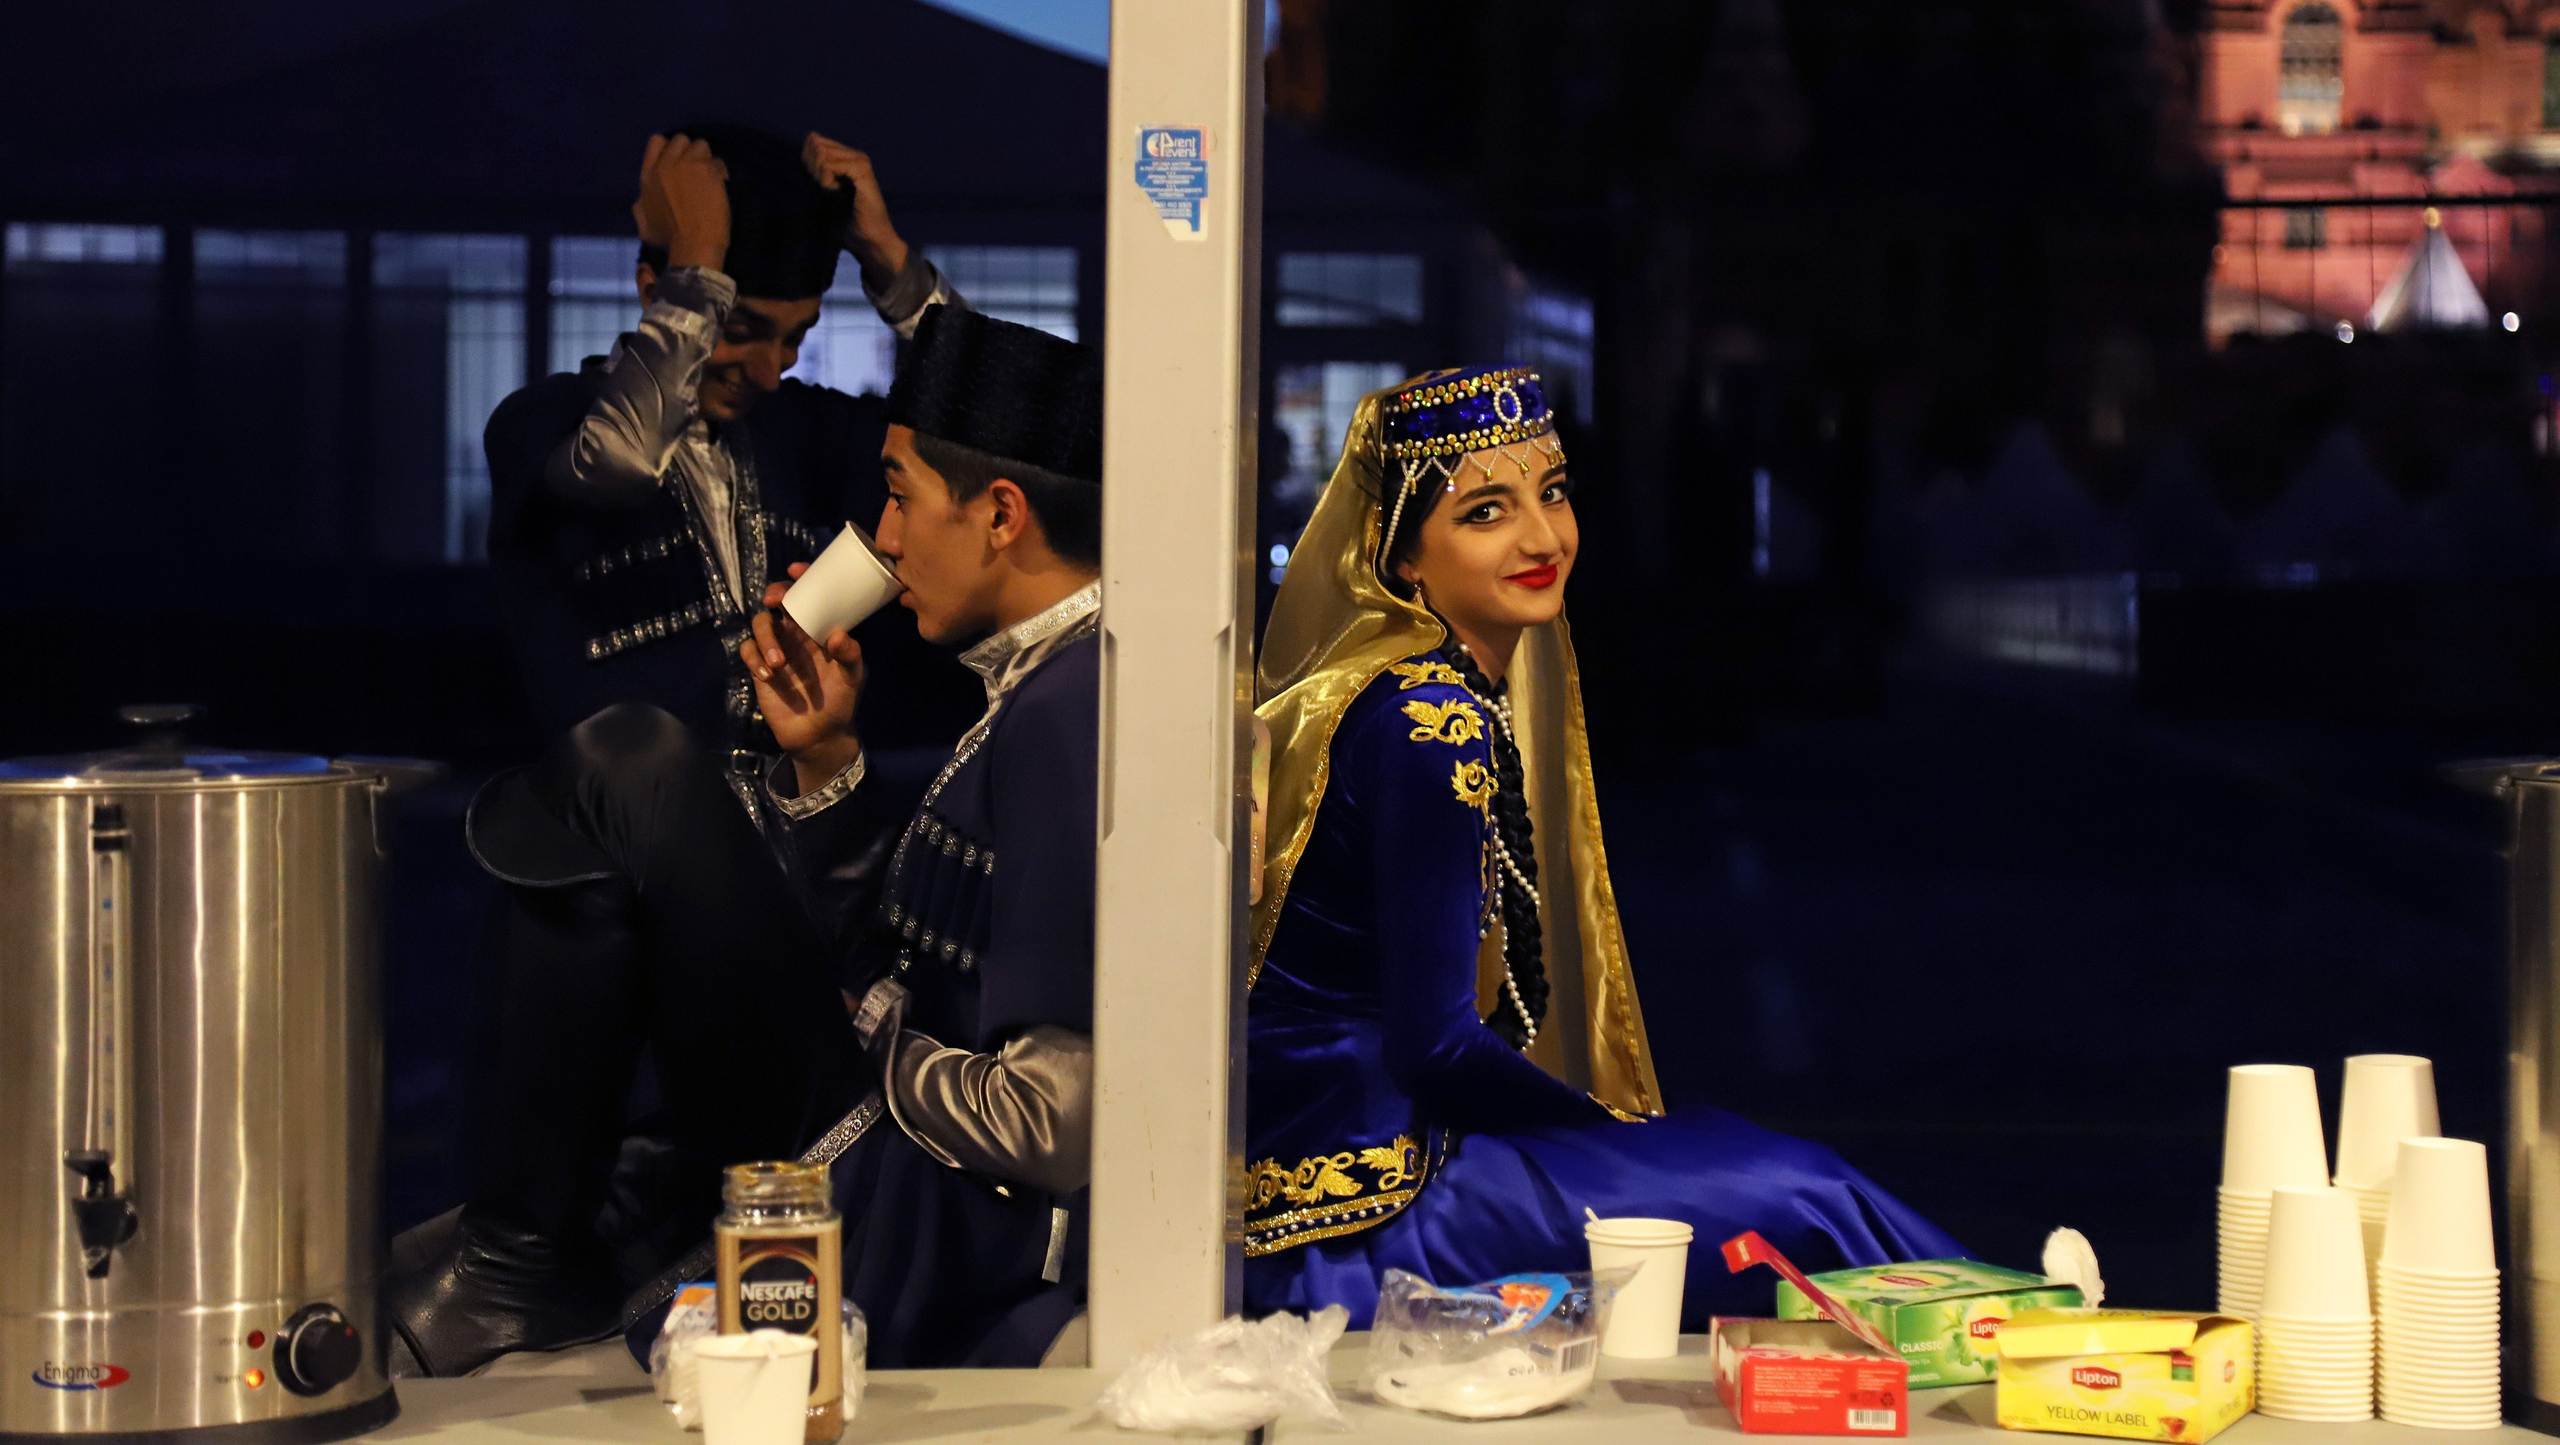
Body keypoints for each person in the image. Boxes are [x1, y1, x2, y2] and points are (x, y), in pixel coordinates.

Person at [390, 303, 1106, 1376]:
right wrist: (826, 760)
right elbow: (918, 945)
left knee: (633, 764)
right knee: (626, 788)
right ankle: (537, 1239)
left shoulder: (1067, 710)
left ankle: (522, 1253)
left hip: (929, 1215)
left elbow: (1045, 1122)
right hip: (898, 1149)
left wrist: (857, 1019)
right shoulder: (1040, 687)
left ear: (1000, 515)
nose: (884, 537)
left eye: (900, 496)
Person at [1243, 365, 1962, 1323]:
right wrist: (1611, 1134)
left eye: (1552, 493)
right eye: (1486, 512)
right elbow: (1434, 1046)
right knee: (1801, 1198)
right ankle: (2024, 1340)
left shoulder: (1409, 692)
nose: (1543, 538)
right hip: (1370, 1205)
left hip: (1367, 1156)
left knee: (1768, 1169)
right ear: (1403, 556)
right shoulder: (1430, 723)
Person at [483, 125, 976, 775]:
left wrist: (888, 257)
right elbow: (622, 459)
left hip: (794, 829)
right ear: (654, 291)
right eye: (739, 329)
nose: (772, 372)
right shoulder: (541, 422)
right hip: (602, 837)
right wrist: (698, 257)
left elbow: (983, 429)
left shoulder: (799, 428)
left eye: (794, 338)